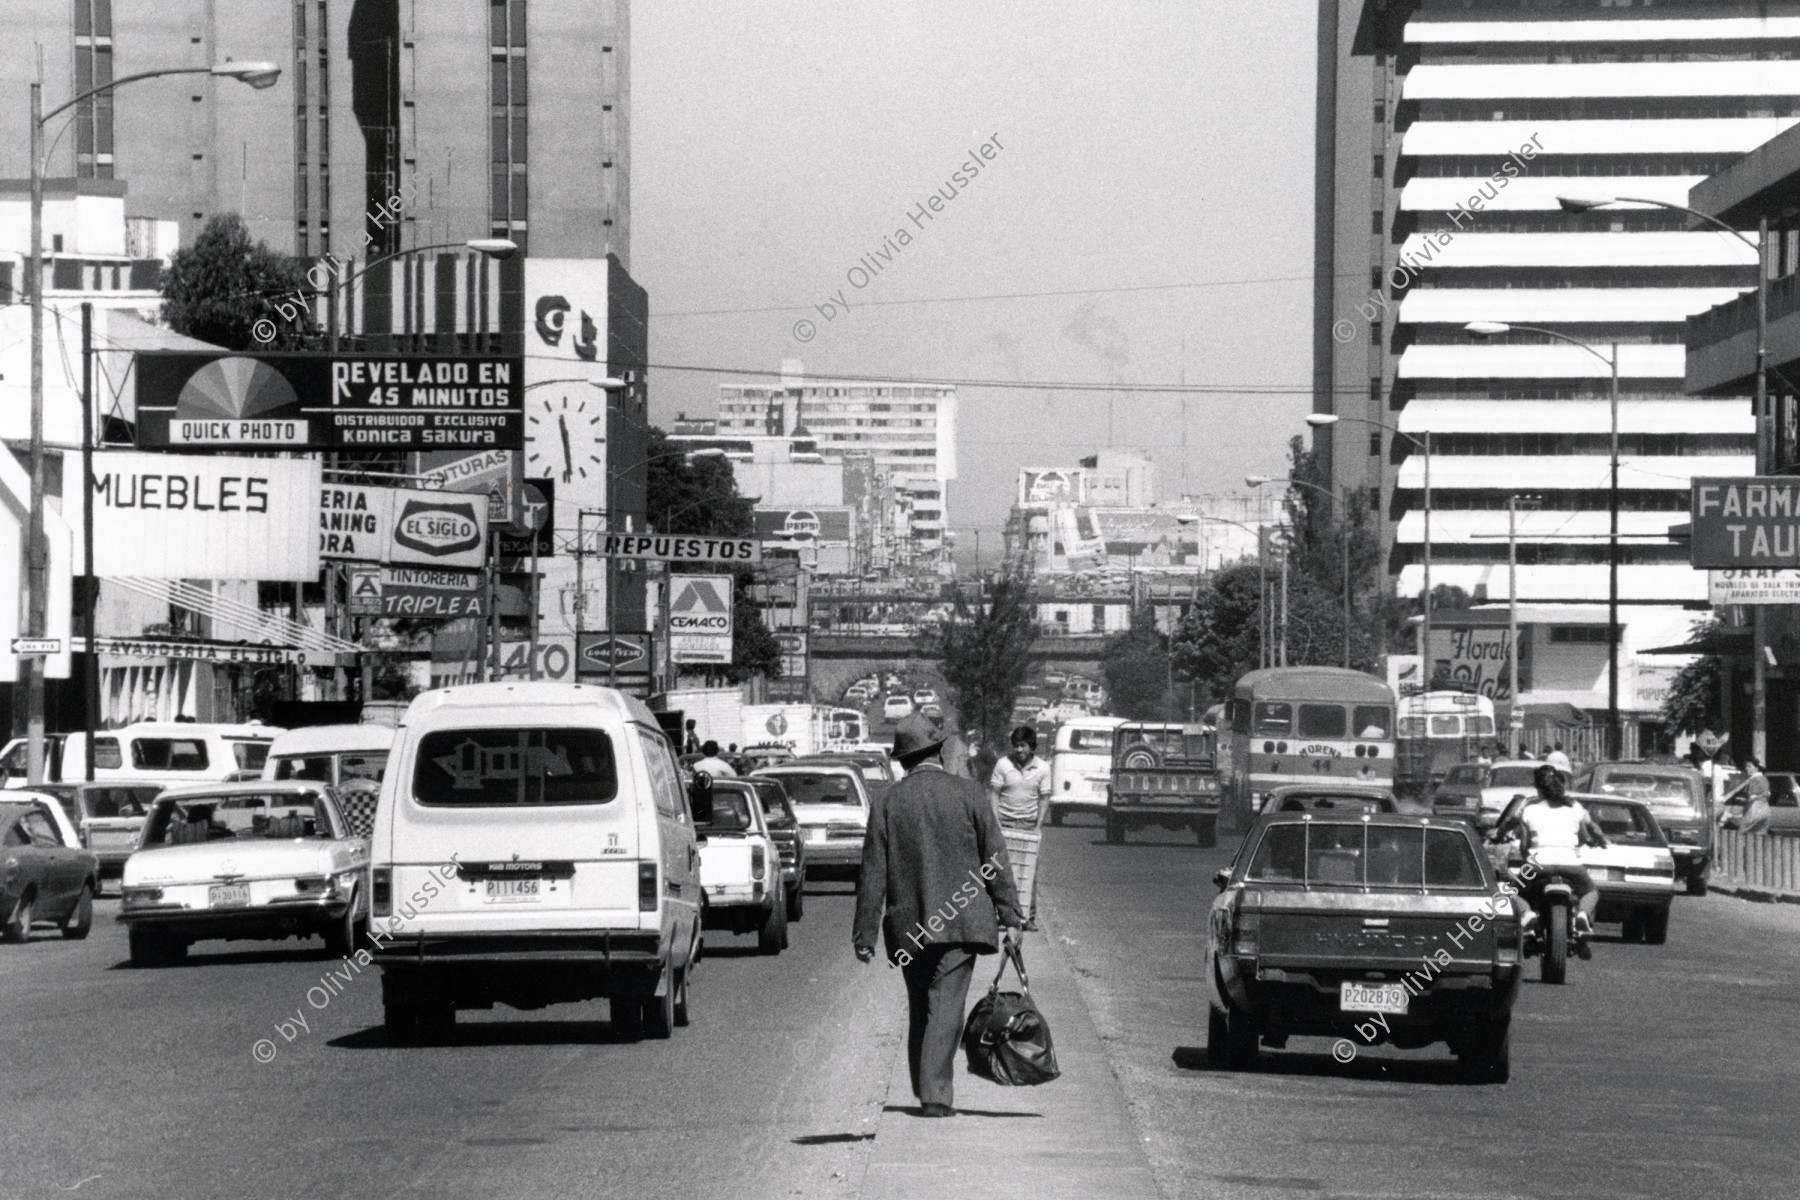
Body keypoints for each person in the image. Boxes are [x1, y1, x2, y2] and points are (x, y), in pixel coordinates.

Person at [854, 714, 1023, 1119]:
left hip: (908, 927)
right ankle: (934, 1094)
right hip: (960, 921)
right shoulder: (969, 794)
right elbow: (994, 858)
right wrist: (1010, 915)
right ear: (940, 751)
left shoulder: (887, 802)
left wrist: (865, 934)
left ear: (902, 761)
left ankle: (927, 1086)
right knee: (945, 1007)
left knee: (921, 1005)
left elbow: (872, 872)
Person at [1495, 763, 1609, 955]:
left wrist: (1504, 839)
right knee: (1591, 891)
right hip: (1571, 865)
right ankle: (1581, 914)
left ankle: (1528, 914)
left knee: (1511, 890)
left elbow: (1524, 845)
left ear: (1539, 789)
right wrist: (1602, 840)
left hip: (1538, 864)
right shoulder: (1575, 807)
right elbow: (1592, 830)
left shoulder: (1529, 809)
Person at [988, 726, 1052, 931]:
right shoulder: (1002, 764)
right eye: (1015, 745)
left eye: (1023, 745)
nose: (1018, 749)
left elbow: (1044, 798)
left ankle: (1027, 918)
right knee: (999, 871)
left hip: (1027, 825)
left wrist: (1038, 826)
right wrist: (996, 823)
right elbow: (994, 794)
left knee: (1028, 873)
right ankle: (997, 917)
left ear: (1032, 747)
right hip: (1004, 823)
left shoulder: (1043, 768)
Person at [1722, 757, 1772, 834]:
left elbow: (1751, 796)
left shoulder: (1753, 779)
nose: (1746, 768)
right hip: (1766, 809)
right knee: (1759, 836)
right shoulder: (1764, 778)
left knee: (1742, 833)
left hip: (1755, 809)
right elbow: (1766, 794)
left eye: (1749, 766)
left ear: (1756, 768)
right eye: (1746, 766)